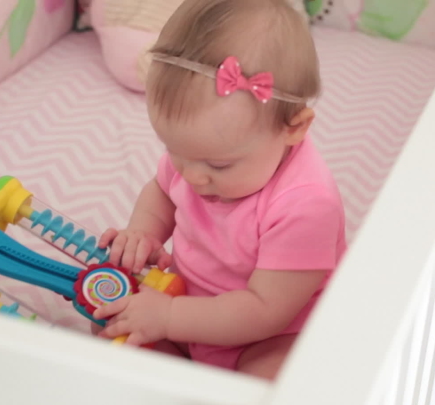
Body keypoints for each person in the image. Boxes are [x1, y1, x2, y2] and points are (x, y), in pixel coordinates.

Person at [93, 0, 346, 380]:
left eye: (219, 165)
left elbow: (265, 310)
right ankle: (176, 390)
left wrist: (170, 318)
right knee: (109, 323)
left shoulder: (306, 205)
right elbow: (162, 193)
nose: (192, 177)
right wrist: (143, 233)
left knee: (276, 382)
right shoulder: (197, 157)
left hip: (271, 334)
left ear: (293, 128)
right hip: (186, 302)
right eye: (174, 152)